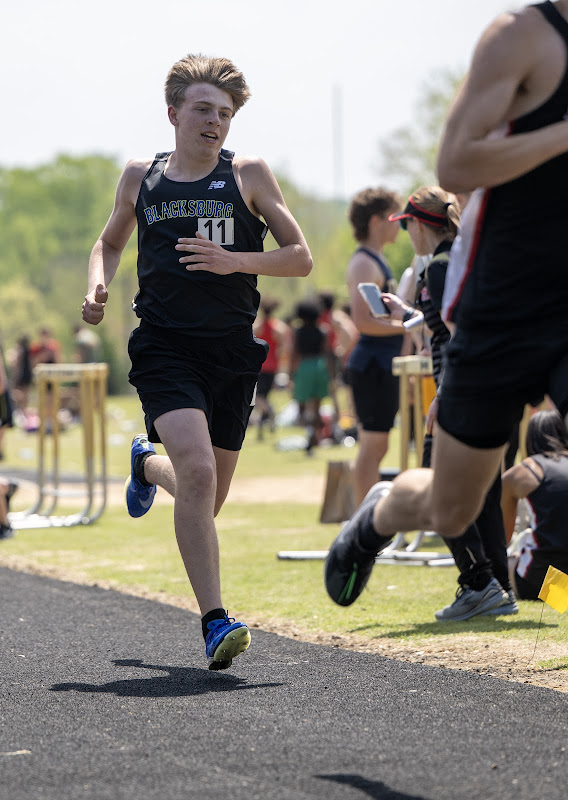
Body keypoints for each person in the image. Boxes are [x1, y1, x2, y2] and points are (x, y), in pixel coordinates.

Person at [325, 0, 568, 608]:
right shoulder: (521, 36)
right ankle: (380, 515)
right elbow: (455, 163)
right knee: (452, 503)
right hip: (501, 309)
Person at [82, 54, 312, 669]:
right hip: (163, 345)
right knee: (200, 473)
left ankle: (145, 464)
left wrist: (235, 261)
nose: (215, 122)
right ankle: (215, 622)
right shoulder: (141, 177)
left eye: (225, 114)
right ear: (174, 114)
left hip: (231, 351)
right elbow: (108, 242)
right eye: (204, 110)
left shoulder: (250, 175)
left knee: (203, 498)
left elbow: (299, 257)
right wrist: (97, 285)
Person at [384, 187, 516, 620]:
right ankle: (499, 588)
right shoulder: (454, 262)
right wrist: (411, 313)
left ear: (419, 224)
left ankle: (478, 583)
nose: (406, 233)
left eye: (406, 225)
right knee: (485, 494)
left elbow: (462, 335)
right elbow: (450, 322)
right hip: (488, 390)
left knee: (433, 488)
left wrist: (444, 393)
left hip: (462, 393)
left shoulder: (439, 267)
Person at [344, 187, 406, 506]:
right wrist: (409, 325)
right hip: (371, 364)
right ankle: (363, 521)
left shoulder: (377, 259)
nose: (399, 224)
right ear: (376, 221)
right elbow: (363, 321)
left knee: (378, 445)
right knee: (372, 446)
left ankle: (366, 518)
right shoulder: (364, 264)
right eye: (394, 217)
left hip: (383, 363)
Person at [502, 409, 568, 600]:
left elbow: (502, 540)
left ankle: (560, 598)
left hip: (543, 582)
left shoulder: (519, 473)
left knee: (502, 565)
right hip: (558, 583)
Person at [289, 298, 330, 454]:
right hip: (319, 366)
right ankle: (316, 437)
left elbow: (294, 353)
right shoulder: (323, 330)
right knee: (318, 407)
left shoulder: (297, 331)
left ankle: (309, 433)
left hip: (304, 366)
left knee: (302, 406)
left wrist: (290, 373)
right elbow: (326, 352)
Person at [252, 296, 291, 439]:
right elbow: (283, 348)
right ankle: (262, 429)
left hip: (261, 366)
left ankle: (271, 412)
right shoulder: (279, 327)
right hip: (273, 366)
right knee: (265, 396)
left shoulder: (258, 326)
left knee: (259, 397)